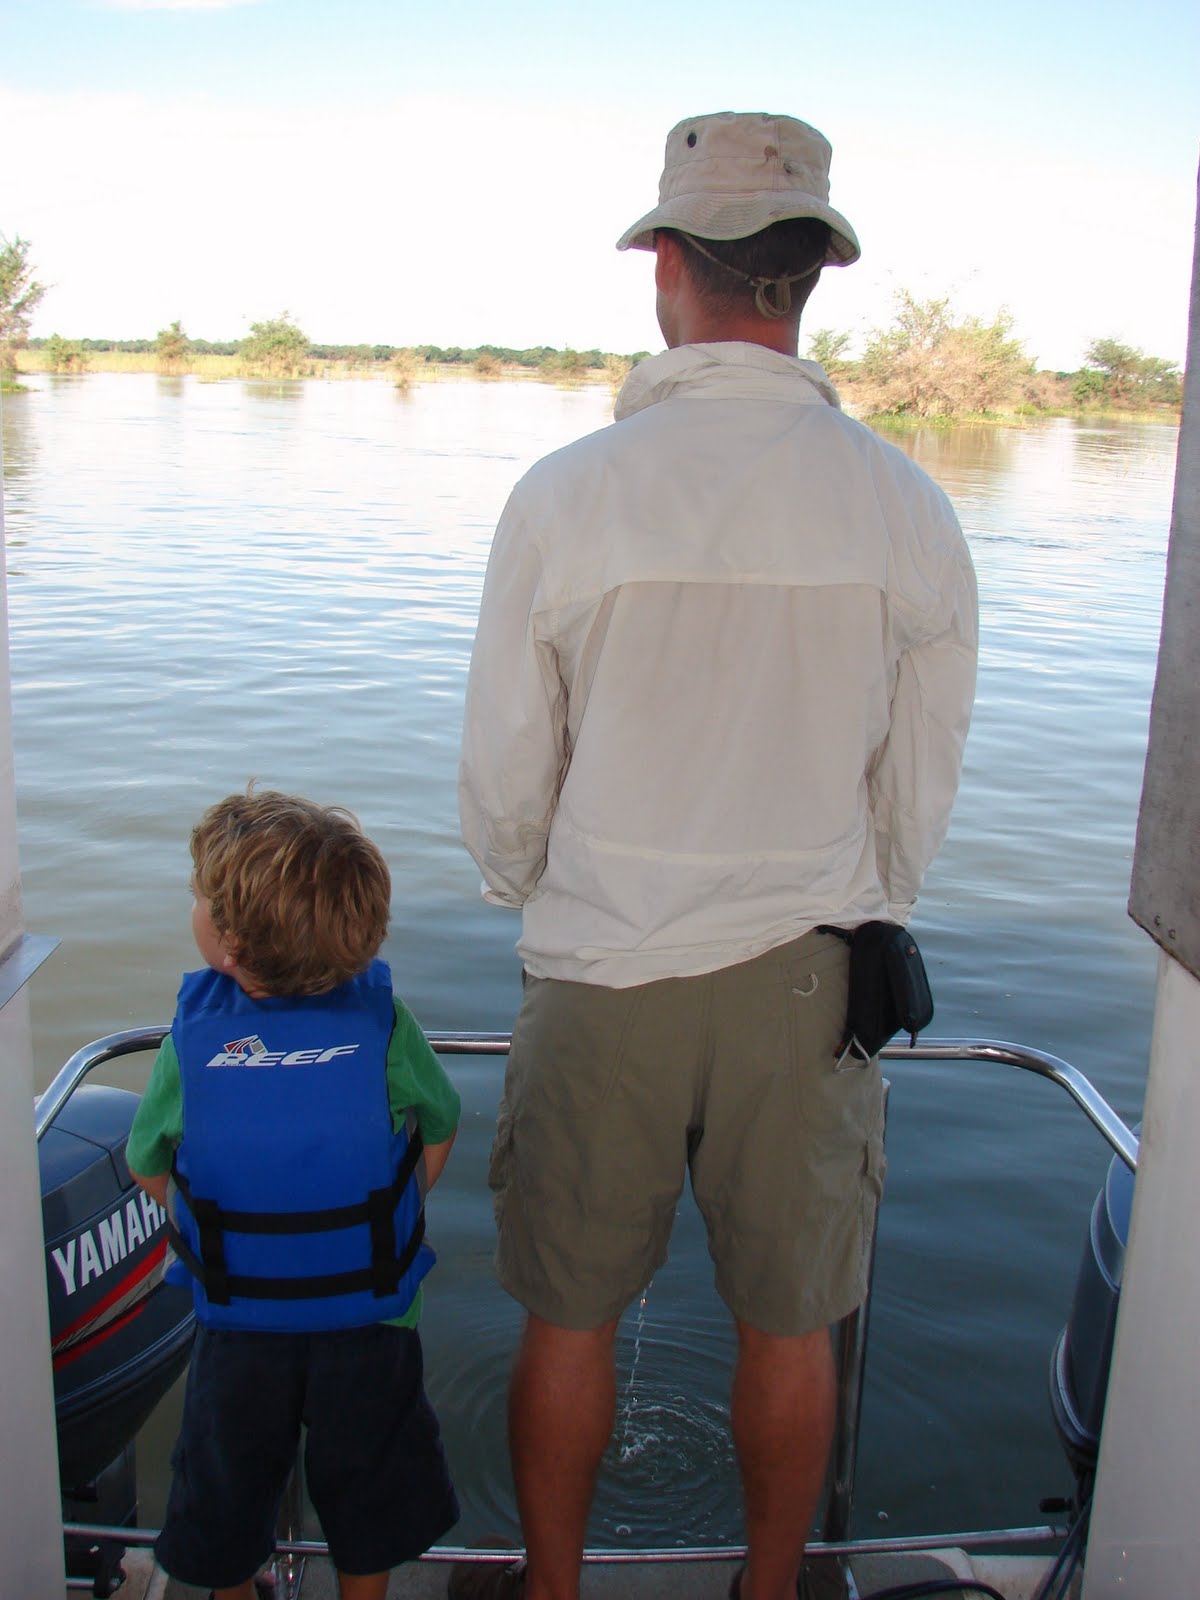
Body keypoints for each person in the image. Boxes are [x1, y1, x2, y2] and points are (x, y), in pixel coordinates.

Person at [457, 111, 978, 1600]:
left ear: (667, 268)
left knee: (567, 1318)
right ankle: (767, 1590)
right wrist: (864, 897)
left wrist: (531, 884)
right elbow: (918, 784)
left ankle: (550, 1590)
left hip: (601, 960)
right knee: (789, 1320)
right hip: (805, 979)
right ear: (809, 273)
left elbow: (506, 774)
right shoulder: (908, 505)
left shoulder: (565, 495)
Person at [128, 788, 461, 1600]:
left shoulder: (192, 1041)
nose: (194, 906)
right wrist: (385, 1213)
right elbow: (440, 1124)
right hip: (372, 1317)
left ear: (231, 944)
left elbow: (147, 1161)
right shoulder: (387, 1024)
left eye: (200, 897)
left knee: (227, 1485)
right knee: (368, 1487)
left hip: (239, 1323)